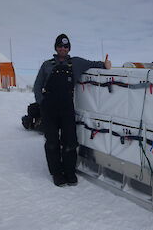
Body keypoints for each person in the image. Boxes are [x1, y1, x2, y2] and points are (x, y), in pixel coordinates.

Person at [34, 34, 111, 187]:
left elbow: (95, 64)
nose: (63, 48)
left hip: (67, 108)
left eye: (66, 46)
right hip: (49, 109)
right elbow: (37, 86)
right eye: (60, 46)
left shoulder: (76, 63)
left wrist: (105, 64)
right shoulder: (47, 65)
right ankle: (56, 173)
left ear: (69, 48)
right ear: (56, 47)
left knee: (70, 141)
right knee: (52, 142)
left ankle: (69, 172)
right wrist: (41, 104)